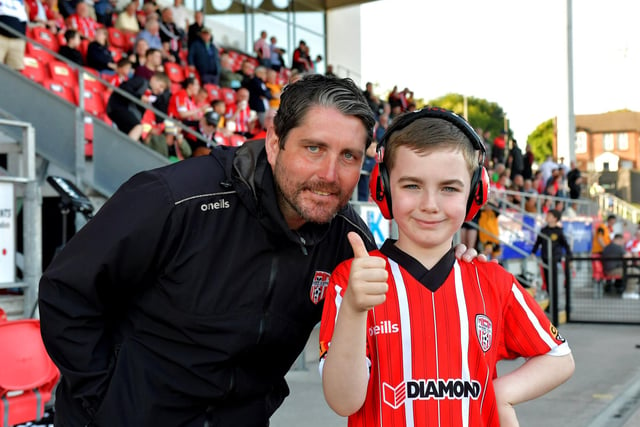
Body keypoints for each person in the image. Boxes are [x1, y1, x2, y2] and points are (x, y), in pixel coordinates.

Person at [39, 75, 484, 427]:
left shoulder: (347, 241)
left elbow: (405, 291)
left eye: (349, 156)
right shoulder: (172, 198)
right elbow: (66, 292)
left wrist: (451, 263)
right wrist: (105, 401)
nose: (329, 173)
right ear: (274, 143)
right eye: (314, 148)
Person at [319, 107, 575, 427]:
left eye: (449, 188)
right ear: (383, 189)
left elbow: (559, 357)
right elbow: (343, 401)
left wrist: (500, 393)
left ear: (474, 195)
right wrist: (355, 310)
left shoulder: (493, 280)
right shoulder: (353, 280)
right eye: (411, 185)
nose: (430, 204)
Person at [106, 71, 170, 141]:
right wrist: (139, 97)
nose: (161, 90)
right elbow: (124, 88)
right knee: (138, 127)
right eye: (161, 86)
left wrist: (162, 98)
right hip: (118, 107)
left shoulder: (153, 96)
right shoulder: (141, 81)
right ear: (153, 79)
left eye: (163, 89)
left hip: (130, 118)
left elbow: (160, 118)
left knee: (138, 140)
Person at [531, 209, 572, 293]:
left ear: (555, 219)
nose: (547, 217)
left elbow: (565, 245)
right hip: (545, 258)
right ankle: (550, 300)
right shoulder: (543, 230)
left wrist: (570, 256)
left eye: (549, 216)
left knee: (555, 280)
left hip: (555, 259)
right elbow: (538, 242)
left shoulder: (559, 231)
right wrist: (533, 252)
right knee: (547, 280)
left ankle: (555, 301)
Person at [0, 0, 28, 71]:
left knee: (15, 73)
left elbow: (24, 19)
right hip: (1, 36)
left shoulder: (20, 2)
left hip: (18, 39)